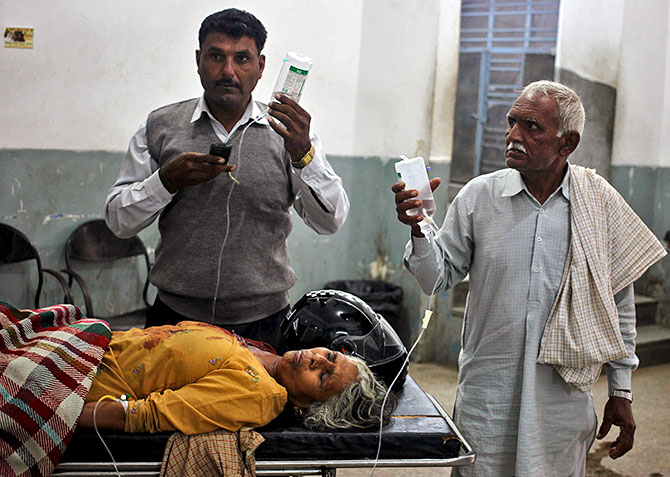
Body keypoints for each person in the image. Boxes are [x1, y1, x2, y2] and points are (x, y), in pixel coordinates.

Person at [392, 80, 666, 476]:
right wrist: (418, 229)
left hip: (562, 397)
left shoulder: (598, 204)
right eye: (511, 123)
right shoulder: (478, 197)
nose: (513, 136)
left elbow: (617, 305)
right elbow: (435, 279)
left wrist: (621, 390)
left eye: (531, 127)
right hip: (488, 393)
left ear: (567, 143)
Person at [104, 8, 349, 353]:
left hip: (264, 325)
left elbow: (331, 220)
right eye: (216, 56)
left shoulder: (289, 133)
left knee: (258, 408)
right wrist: (167, 180)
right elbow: (118, 220)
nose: (228, 71)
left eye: (242, 59)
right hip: (174, 320)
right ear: (198, 60)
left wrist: (302, 153)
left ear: (261, 67)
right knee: (162, 408)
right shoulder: (160, 126)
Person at [79, 321, 390, 434]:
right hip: (89, 346)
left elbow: (146, 415)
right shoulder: (265, 353)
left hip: (81, 380)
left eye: (323, 377)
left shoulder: (259, 395)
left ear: (308, 408)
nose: (316, 359)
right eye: (330, 356)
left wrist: (59, 411)